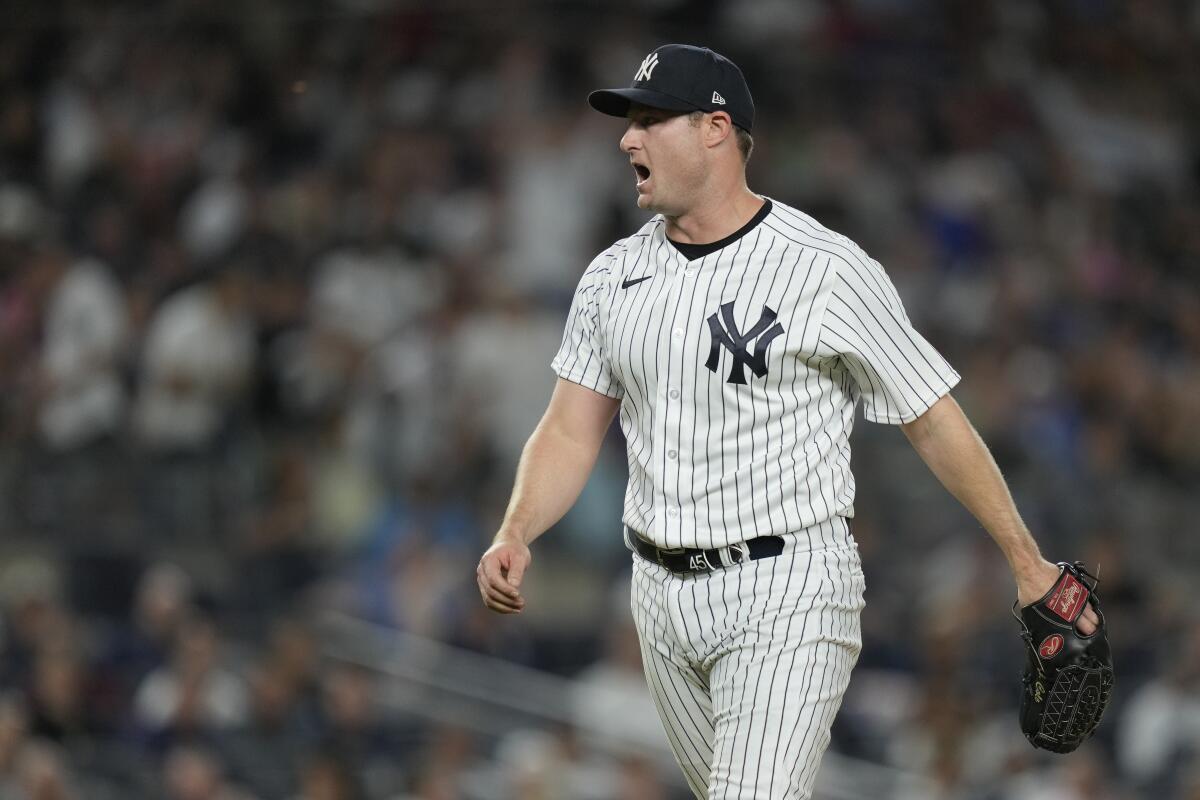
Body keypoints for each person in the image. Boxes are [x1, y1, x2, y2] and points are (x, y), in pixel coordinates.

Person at [476, 43, 1099, 799]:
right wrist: (515, 529)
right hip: (658, 598)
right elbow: (571, 429)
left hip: (788, 586)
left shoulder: (824, 268)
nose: (626, 139)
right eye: (628, 121)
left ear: (714, 129)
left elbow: (931, 417)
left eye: (649, 119)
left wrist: (1028, 564)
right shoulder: (612, 276)